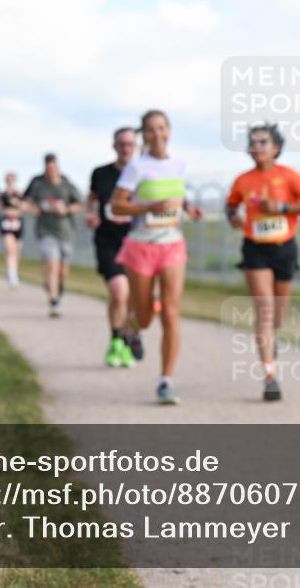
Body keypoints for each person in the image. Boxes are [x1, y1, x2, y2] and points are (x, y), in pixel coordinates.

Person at [110, 110, 203, 405]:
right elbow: (117, 206)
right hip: (140, 246)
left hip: (172, 244)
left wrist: (188, 208)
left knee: (171, 312)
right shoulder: (136, 167)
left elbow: (177, 196)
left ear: (169, 131)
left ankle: (166, 380)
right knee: (146, 314)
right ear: (144, 135)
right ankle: (133, 328)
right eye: (150, 130)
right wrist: (148, 208)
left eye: (161, 128)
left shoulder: (179, 164)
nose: (157, 134)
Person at [225, 123, 300, 401]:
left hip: (285, 249)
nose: (256, 147)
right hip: (255, 249)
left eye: (262, 142)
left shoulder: (289, 176)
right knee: (265, 310)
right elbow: (231, 205)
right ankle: (270, 376)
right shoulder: (243, 180)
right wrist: (233, 217)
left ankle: (270, 340)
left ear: (276, 148)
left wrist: (283, 208)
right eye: (252, 142)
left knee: (278, 314)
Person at [87, 126, 138, 368]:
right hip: (108, 240)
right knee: (119, 292)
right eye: (122, 144)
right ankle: (117, 339)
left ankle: (125, 339)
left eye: (130, 144)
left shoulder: (143, 173)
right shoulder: (101, 173)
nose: (126, 148)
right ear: (114, 146)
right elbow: (92, 199)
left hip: (136, 242)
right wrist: (91, 214)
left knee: (131, 299)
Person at [23, 153, 84, 317]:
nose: (51, 171)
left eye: (53, 167)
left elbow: (80, 204)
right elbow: (26, 201)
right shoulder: (38, 184)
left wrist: (66, 210)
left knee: (63, 271)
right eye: (48, 168)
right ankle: (54, 301)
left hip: (65, 231)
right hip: (45, 231)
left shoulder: (66, 184)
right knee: (52, 264)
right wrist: (31, 209)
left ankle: (57, 288)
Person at [0, 172, 25, 288]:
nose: (10, 181)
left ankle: (15, 271)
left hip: (18, 223)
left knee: (17, 251)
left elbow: (25, 207)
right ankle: (11, 274)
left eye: (12, 179)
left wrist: (18, 203)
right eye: (8, 179)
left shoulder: (19, 194)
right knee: (9, 249)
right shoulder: (2, 195)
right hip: (6, 223)